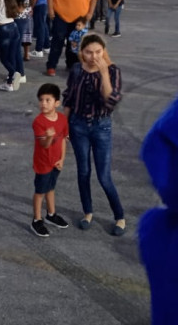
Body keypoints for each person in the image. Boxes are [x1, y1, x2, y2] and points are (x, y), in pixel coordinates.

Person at [62, 34, 126, 236]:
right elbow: (69, 98)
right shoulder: (76, 70)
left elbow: (111, 100)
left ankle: (119, 216)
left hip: (101, 126)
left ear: (104, 51)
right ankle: (87, 212)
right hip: (78, 125)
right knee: (83, 172)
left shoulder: (113, 71)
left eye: (98, 52)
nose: (93, 56)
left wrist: (104, 72)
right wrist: (63, 125)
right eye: (89, 52)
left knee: (104, 176)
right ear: (82, 52)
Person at [45, 0, 98, 77]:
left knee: (75, 43)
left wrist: (90, 13)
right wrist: (51, 10)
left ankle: (72, 65)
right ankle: (51, 66)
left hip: (80, 18)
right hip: (61, 16)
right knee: (57, 41)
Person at [30, 83, 70, 238]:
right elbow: (43, 144)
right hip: (43, 163)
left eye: (48, 100)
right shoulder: (39, 122)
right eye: (41, 100)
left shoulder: (62, 119)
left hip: (55, 162)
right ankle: (36, 219)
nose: (43, 103)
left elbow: (63, 140)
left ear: (57, 103)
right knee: (40, 192)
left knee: (51, 188)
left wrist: (62, 159)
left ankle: (51, 214)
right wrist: (48, 137)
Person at [0, 0, 24, 92]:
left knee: (3, 58)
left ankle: (13, 73)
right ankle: (10, 82)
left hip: (3, 29)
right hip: (13, 26)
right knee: (12, 55)